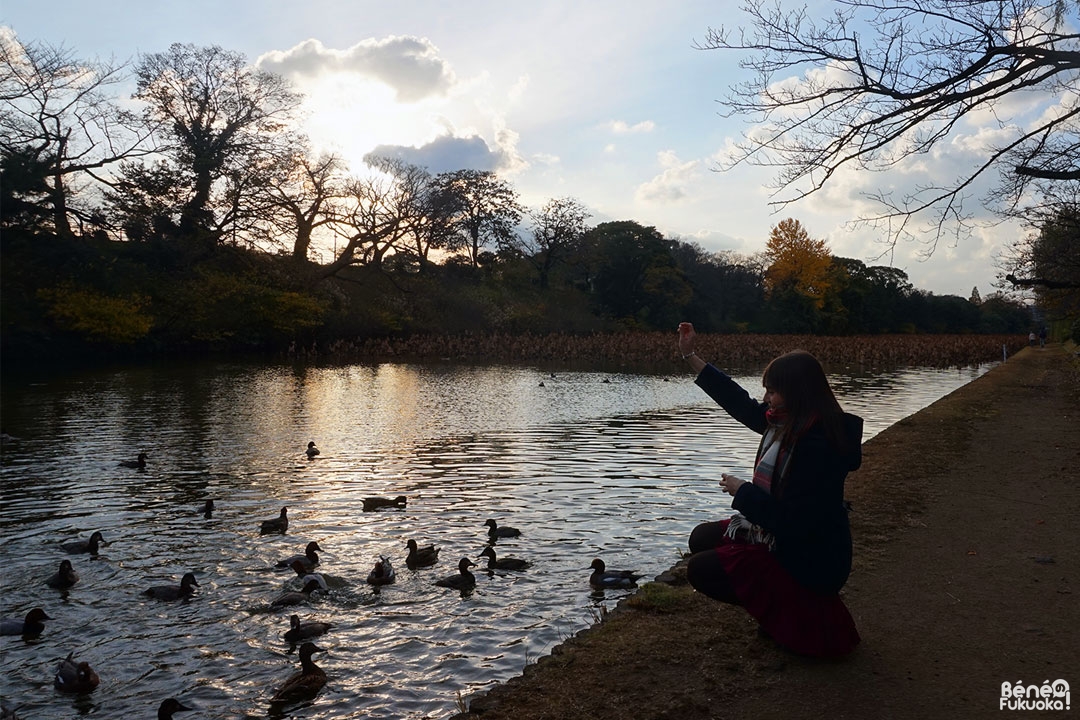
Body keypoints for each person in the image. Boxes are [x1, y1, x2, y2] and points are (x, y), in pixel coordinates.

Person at [677, 322, 862, 657]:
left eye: (773, 391)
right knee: (701, 538)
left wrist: (742, 492)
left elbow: (792, 522)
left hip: (813, 558)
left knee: (701, 570)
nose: (766, 399)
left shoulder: (816, 445)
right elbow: (741, 403)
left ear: (797, 393)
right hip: (792, 540)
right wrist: (692, 356)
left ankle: (787, 611)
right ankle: (775, 606)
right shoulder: (788, 422)